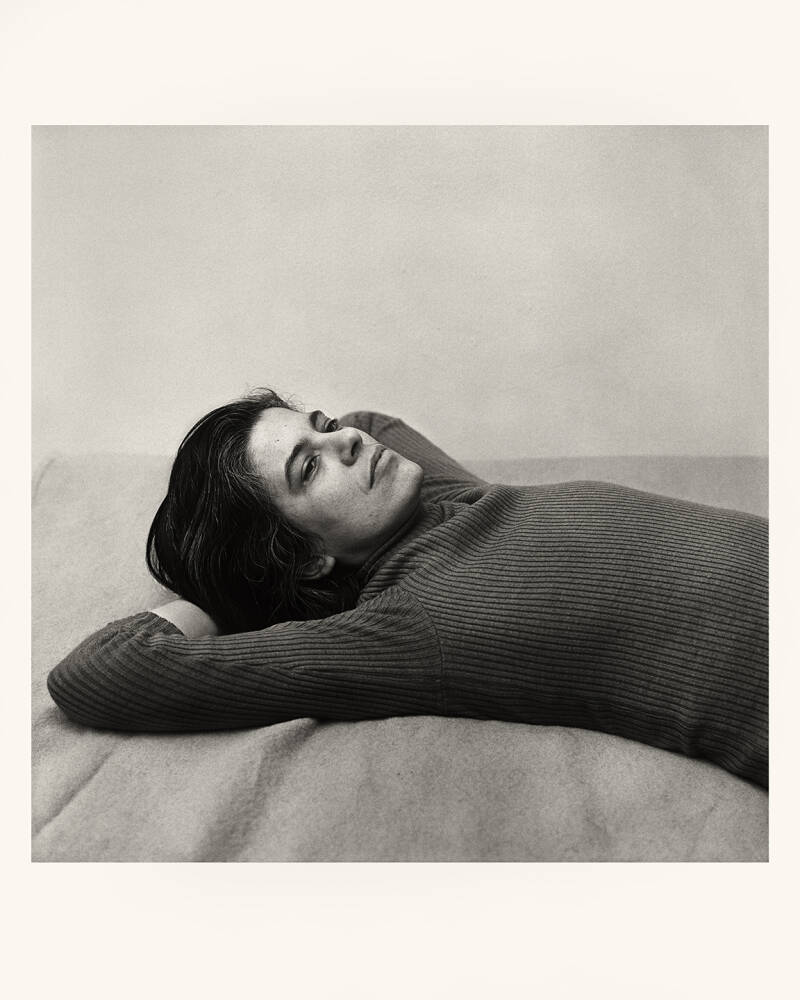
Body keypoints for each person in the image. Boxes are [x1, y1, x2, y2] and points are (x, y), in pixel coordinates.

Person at [47, 388, 769, 788]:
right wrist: (220, 599)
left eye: (322, 427)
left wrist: (309, 446)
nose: (347, 441)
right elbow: (102, 672)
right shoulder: (404, 628)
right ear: (304, 560)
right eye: (309, 468)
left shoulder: (446, 499)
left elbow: (370, 419)